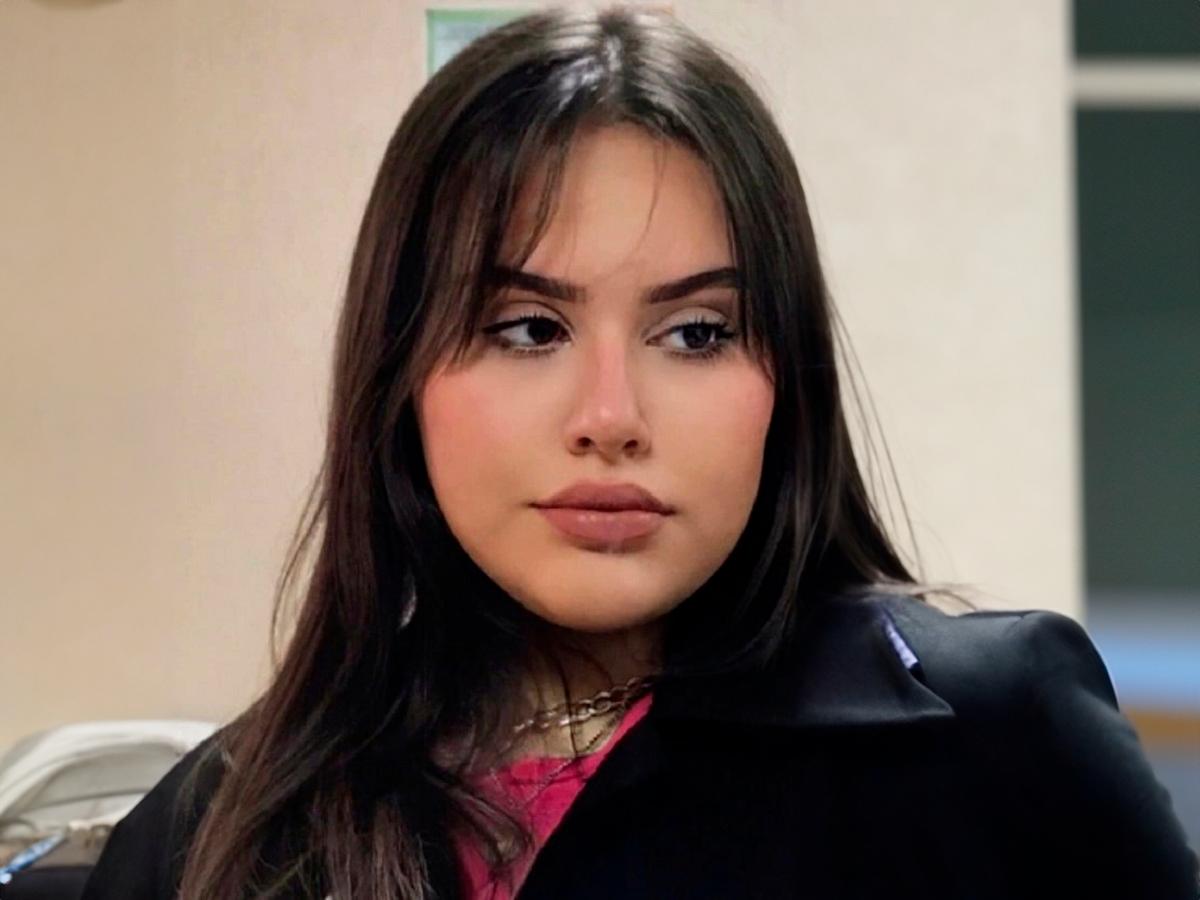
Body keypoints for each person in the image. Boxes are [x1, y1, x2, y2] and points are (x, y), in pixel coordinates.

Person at [79, 5, 1198, 899]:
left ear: (785, 380)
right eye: (528, 329)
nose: (610, 416)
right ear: (401, 371)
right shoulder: (208, 834)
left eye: (696, 334)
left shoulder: (991, 743)